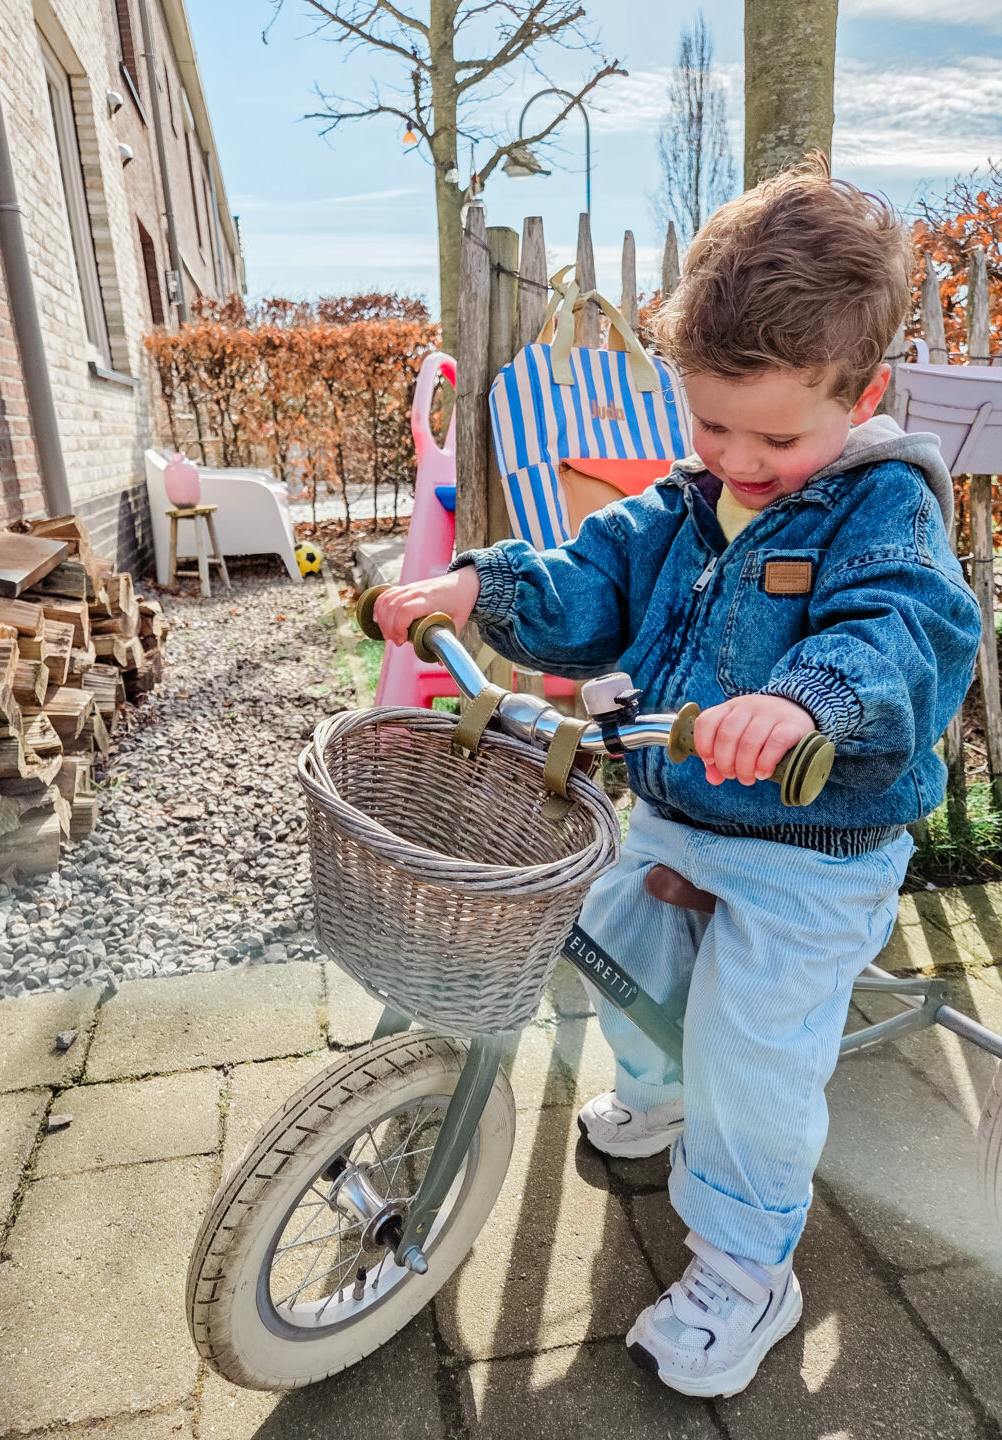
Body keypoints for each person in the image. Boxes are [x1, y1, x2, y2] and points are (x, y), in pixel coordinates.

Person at [373, 157, 981, 1398]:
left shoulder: (882, 516)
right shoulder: (697, 500)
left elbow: (905, 636)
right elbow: (594, 570)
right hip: (681, 807)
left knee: (753, 1055)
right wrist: (479, 588)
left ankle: (749, 1264)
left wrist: (799, 700)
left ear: (859, 397)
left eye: (776, 434)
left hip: (814, 847)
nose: (739, 459)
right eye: (710, 423)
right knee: (619, 948)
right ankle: (655, 1096)